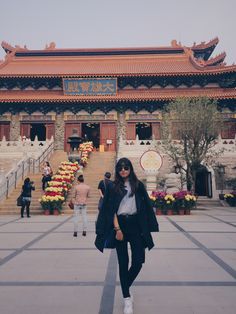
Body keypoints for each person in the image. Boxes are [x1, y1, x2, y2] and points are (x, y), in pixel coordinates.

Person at [95, 158, 159, 314]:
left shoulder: (138, 185)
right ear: (117, 170)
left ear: (130, 168)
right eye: (120, 168)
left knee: (138, 261)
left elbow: (146, 207)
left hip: (136, 226)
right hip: (120, 225)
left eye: (126, 167)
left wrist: (149, 226)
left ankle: (125, 286)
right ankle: (127, 298)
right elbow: (111, 210)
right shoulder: (113, 187)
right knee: (123, 263)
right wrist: (117, 229)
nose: (123, 170)